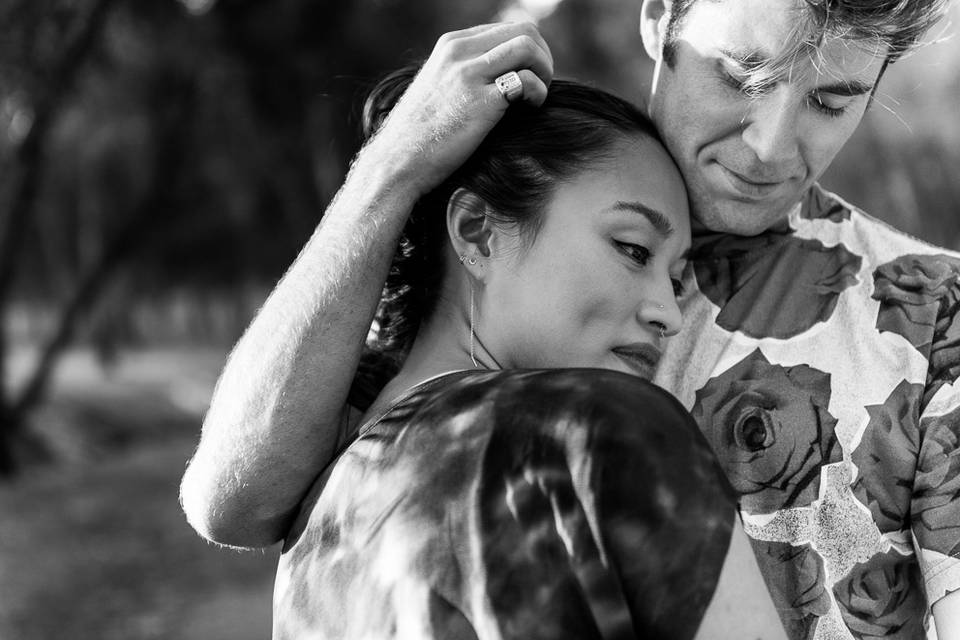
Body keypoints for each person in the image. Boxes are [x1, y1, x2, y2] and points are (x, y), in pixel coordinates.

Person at [181, 1, 960, 638]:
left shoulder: (934, 317)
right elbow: (235, 501)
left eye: (831, 100)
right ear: (660, 17)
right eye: (740, 75)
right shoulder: (524, 239)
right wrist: (388, 171)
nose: (770, 144)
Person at [271, 69, 785, 639]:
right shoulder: (601, 429)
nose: (669, 312)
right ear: (477, 231)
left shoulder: (315, 512)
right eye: (634, 248)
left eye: (677, 278)